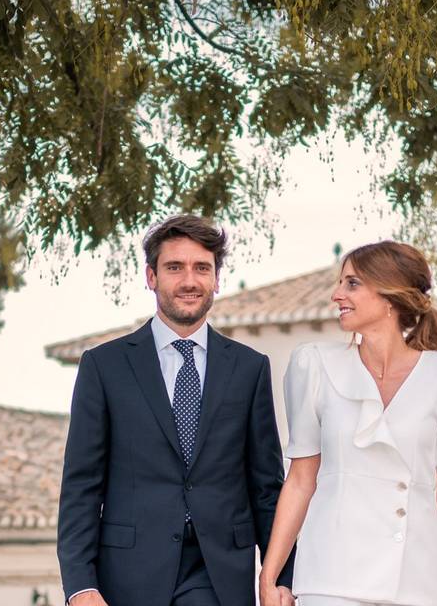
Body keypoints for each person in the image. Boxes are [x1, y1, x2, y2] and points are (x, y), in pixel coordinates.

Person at [57, 214, 295, 606]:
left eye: (202, 268)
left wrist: (281, 578)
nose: (189, 281)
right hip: (127, 573)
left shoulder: (250, 368)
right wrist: (81, 586)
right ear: (151, 276)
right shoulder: (104, 366)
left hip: (219, 573)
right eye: (174, 268)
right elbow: (81, 486)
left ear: (217, 279)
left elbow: (266, 487)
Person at [259, 241, 437, 606]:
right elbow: (300, 481)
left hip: (416, 580)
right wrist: (269, 576)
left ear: (390, 296)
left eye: (352, 284)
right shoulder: (315, 366)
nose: (336, 295)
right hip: (329, 578)